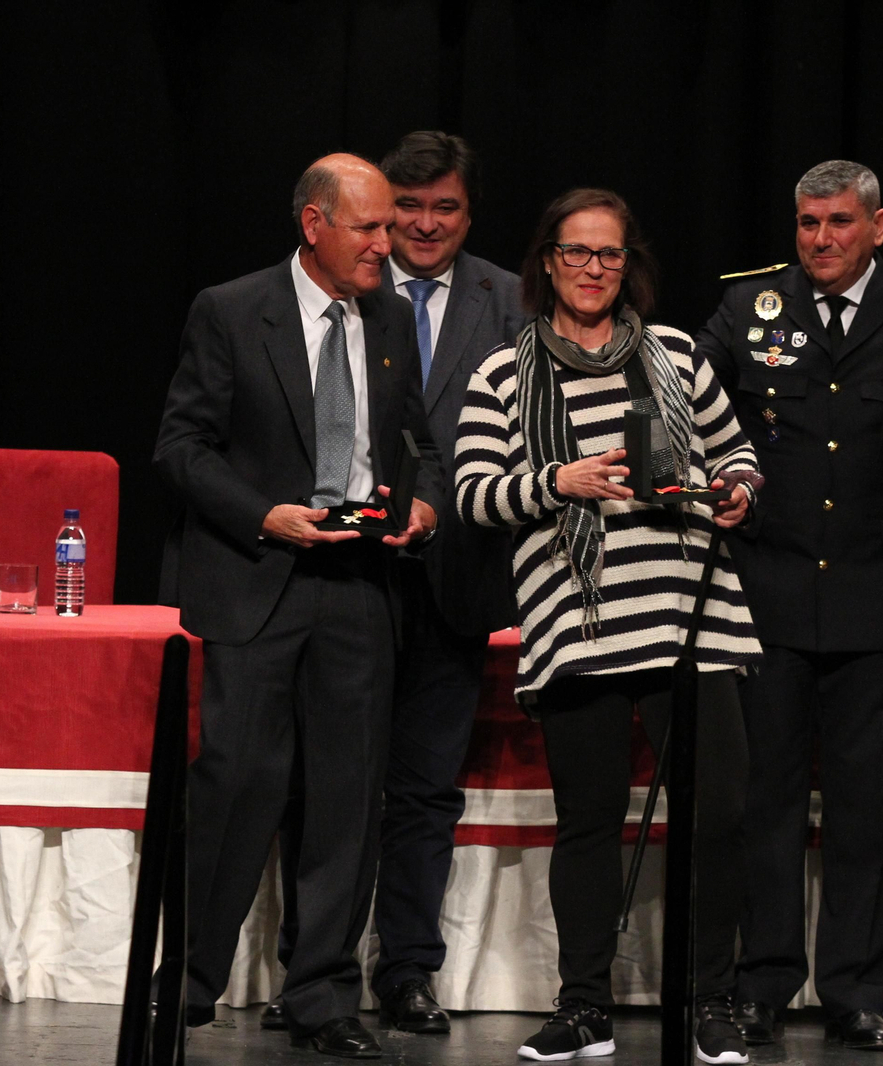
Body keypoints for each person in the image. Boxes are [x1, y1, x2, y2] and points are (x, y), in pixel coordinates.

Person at [456, 188, 761, 1064]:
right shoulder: (502, 373)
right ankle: (584, 1006)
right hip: (578, 621)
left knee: (717, 815)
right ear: (547, 261)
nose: (593, 269)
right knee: (589, 822)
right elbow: (473, 495)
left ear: (630, 266)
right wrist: (561, 481)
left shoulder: (678, 355)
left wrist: (738, 491)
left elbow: (736, 452)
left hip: (689, 616)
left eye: (610, 254)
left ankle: (710, 1003)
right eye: (577, 252)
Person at [155, 153, 440, 1060]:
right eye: (370, 228)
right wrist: (263, 514)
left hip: (360, 587)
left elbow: (419, 441)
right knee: (237, 785)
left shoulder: (389, 316)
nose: (388, 244)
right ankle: (188, 984)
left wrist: (423, 505)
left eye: (390, 226)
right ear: (314, 225)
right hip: (260, 578)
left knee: (348, 801)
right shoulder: (232, 310)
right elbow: (181, 447)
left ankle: (320, 997)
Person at [695, 160, 883, 1052]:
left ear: (878, 225)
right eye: (808, 223)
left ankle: (855, 992)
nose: (820, 240)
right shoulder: (747, 307)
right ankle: (762, 985)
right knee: (767, 801)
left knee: (862, 806)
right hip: (767, 592)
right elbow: (693, 420)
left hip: (879, 597)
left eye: (839, 223)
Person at [261, 131, 526, 1037]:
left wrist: (436, 505)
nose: (422, 224)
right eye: (405, 207)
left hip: (452, 576)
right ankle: (309, 972)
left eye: (445, 208)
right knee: (320, 785)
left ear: (469, 215)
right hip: (340, 576)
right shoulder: (344, 288)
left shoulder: (511, 301)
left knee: (423, 787)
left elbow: (523, 435)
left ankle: (408, 970)